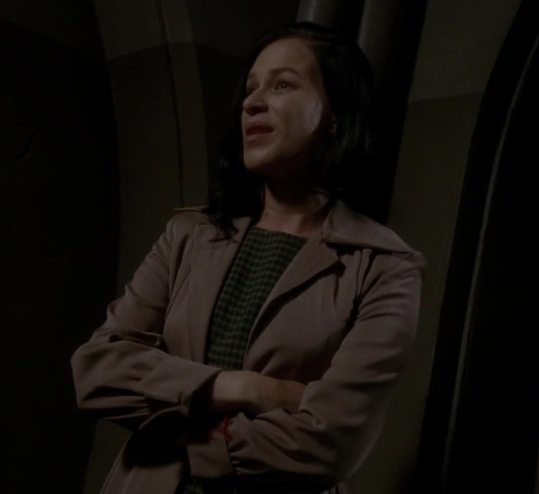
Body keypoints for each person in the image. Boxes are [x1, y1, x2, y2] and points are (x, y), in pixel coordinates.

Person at [70, 21, 424, 494]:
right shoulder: (188, 236)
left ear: (334, 115)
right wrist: (248, 388)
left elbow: (332, 442)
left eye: (282, 85)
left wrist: (179, 424)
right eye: (251, 88)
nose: (251, 102)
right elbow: (96, 369)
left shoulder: (385, 265)